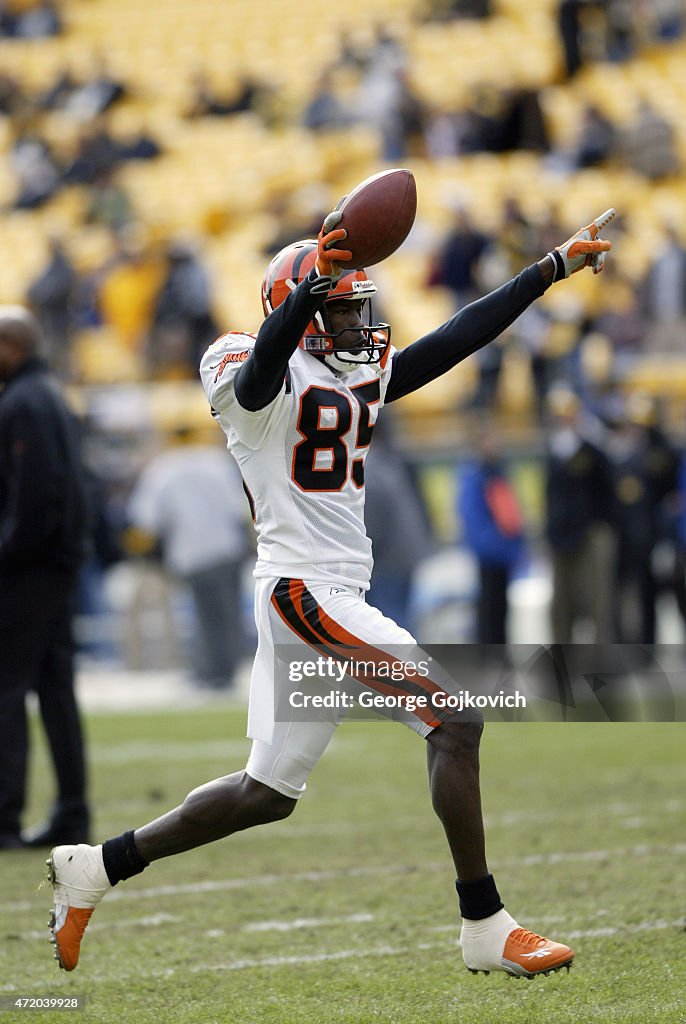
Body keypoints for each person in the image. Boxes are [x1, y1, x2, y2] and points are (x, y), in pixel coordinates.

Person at [45, 202, 615, 979]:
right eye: (342, 309)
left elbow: (453, 341)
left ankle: (98, 867)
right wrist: (311, 287)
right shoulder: (240, 367)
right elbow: (262, 371)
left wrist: (548, 268)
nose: (361, 325)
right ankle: (484, 923)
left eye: (358, 308)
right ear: (303, 306)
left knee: (266, 793)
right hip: (306, 591)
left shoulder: (359, 372)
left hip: (326, 593)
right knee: (455, 721)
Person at [0, 307, 90, 850]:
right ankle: (72, 813)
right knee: (56, 692)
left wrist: (6, 554)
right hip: (55, 568)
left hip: (29, 572)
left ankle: (4, 817)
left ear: (11, 346)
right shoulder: (49, 395)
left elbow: (35, 495)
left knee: (6, 692)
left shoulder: (23, 402)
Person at [125, 426, 251, 688]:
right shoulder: (217, 462)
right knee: (228, 613)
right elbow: (240, 508)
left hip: (190, 552)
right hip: (226, 548)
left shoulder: (163, 468)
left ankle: (209, 672)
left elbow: (144, 518)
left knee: (204, 614)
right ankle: (226, 671)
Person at [458, 424, 525, 644]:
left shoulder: (499, 472)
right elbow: (473, 517)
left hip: (503, 552)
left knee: (501, 606)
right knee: (488, 605)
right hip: (489, 554)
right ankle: (488, 652)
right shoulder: (474, 476)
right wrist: (493, 546)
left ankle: (500, 649)